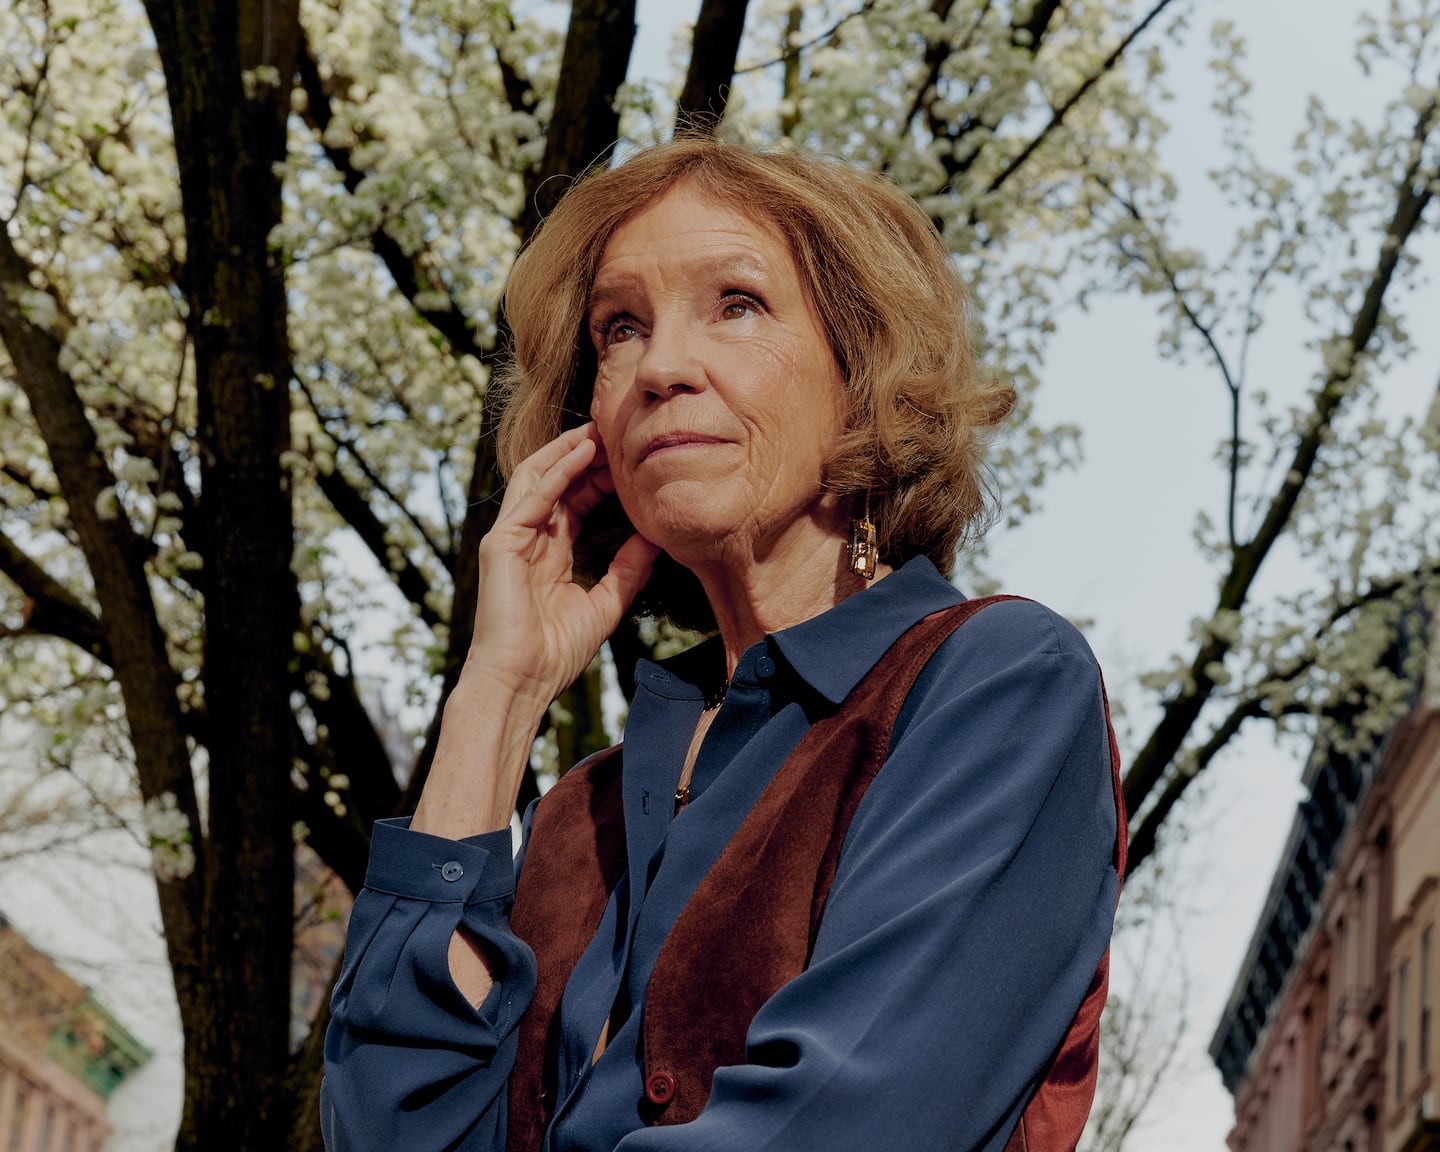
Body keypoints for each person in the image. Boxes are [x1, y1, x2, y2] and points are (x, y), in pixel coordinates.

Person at [321, 139, 1124, 1152]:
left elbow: (838, 1129)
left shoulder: (997, 685)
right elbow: (385, 1132)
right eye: (620, 328)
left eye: (736, 303)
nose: (660, 368)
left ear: (862, 373)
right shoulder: (578, 817)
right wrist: (499, 692)